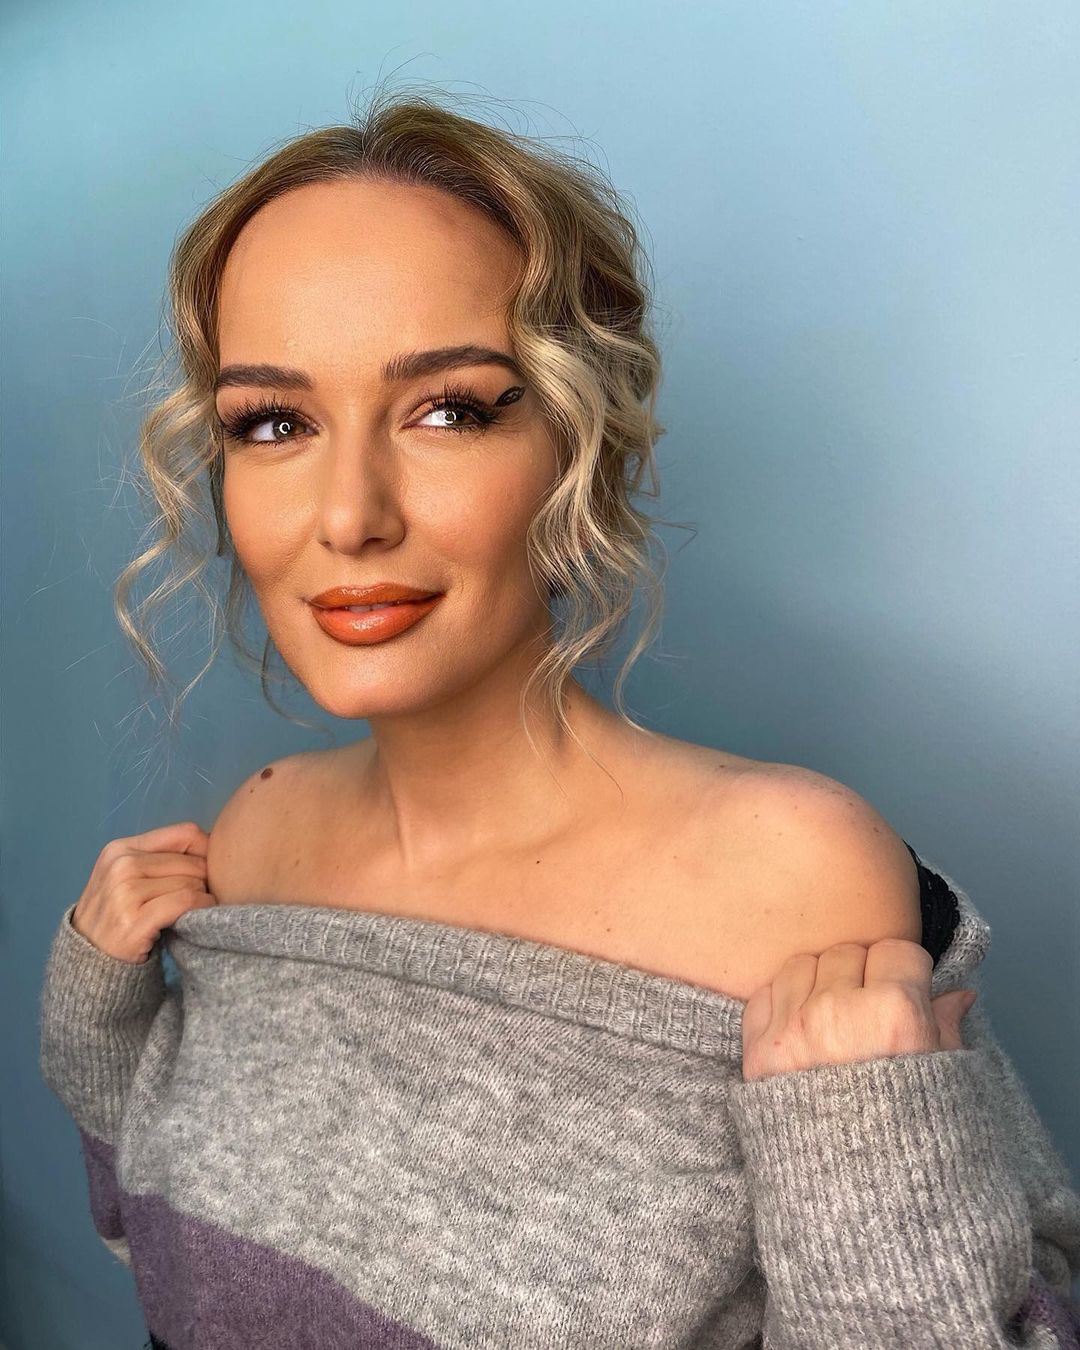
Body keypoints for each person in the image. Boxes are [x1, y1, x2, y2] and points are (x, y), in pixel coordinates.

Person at [40, 83, 1080, 1349]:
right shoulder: (256, 836)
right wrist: (102, 1029)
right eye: (276, 423)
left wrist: (866, 1157)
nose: (349, 515)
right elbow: (175, 1253)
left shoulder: (790, 874)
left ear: (582, 444)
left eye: (449, 410)